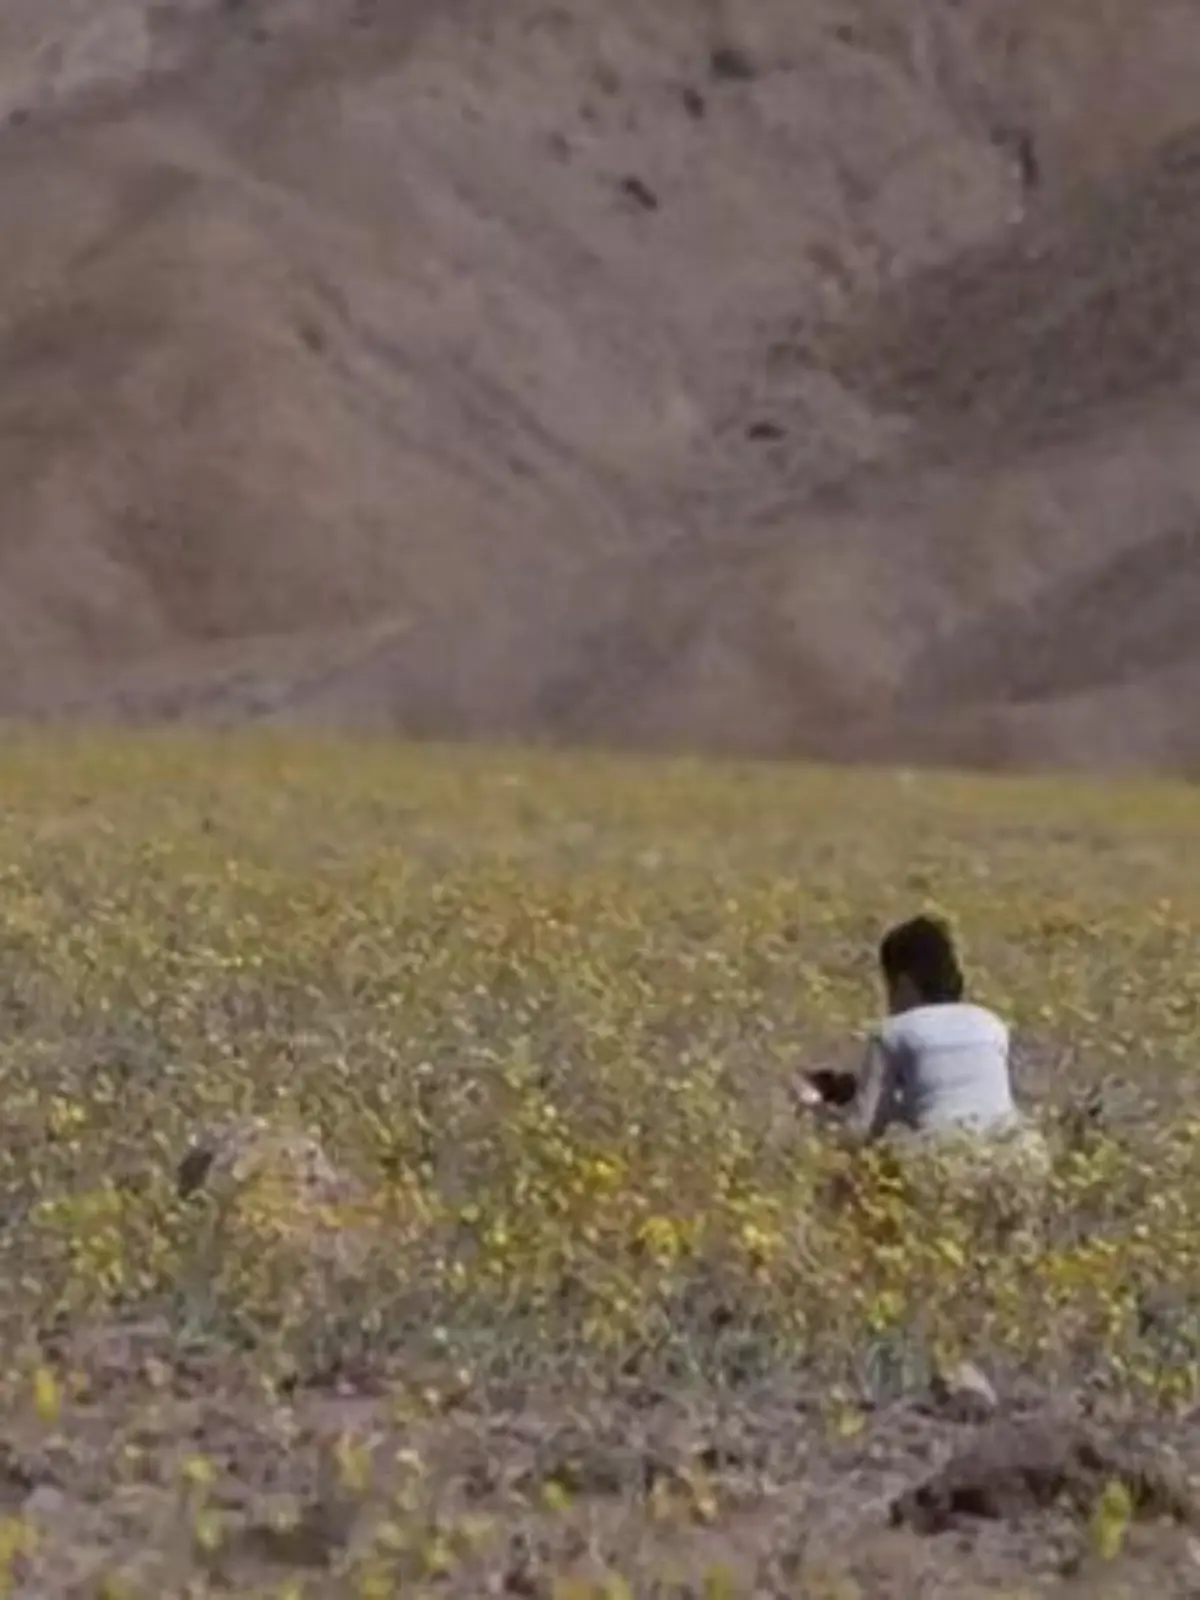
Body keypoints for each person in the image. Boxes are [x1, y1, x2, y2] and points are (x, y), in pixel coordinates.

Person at [798, 914, 1026, 1146]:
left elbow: (861, 1130)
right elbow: (953, 1096)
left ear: (904, 984)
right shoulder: (991, 1024)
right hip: (1009, 1147)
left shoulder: (892, 1032)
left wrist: (818, 1117)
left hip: (941, 1151)